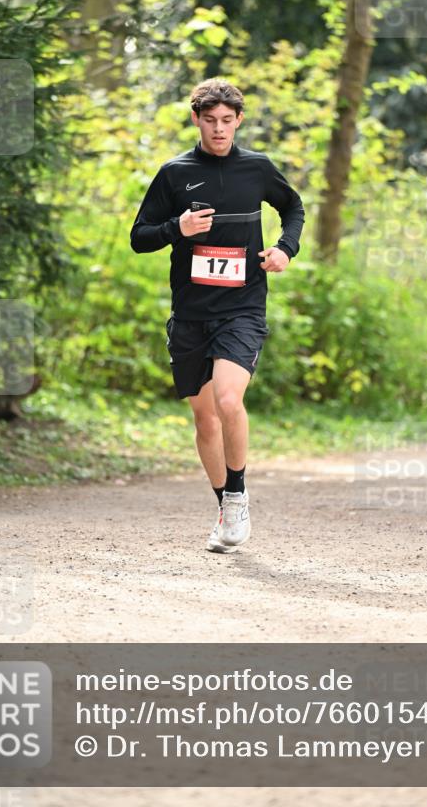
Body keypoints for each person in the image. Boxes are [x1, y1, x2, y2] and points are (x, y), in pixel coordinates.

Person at [130, 78, 304, 553]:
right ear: (196, 120)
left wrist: (285, 250)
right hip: (190, 313)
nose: (220, 129)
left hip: (242, 306)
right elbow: (140, 236)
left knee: (229, 401)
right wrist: (176, 227)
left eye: (228, 121)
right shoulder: (175, 173)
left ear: (239, 121)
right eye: (211, 121)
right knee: (206, 420)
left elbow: (293, 207)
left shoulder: (257, 168)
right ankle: (224, 507)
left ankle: (238, 492)